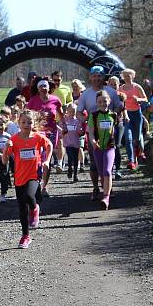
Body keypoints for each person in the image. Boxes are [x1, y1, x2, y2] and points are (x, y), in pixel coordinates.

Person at [2, 110, 52, 249]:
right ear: (19, 123)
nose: (26, 124)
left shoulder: (37, 137)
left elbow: (49, 145)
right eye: (23, 122)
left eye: (29, 122)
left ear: (34, 123)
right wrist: (6, 148)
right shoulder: (14, 139)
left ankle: (35, 207)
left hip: (34, 174)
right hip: (19, 177)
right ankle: (25, 236)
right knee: (22, 208)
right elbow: (4, 160)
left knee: (30, 196)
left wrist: (46, 160)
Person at [77, 66, 123, 200]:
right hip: (92, 132)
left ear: (104, 77)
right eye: (94, 76)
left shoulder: (111, 91)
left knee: (108, 161)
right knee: (95, 163)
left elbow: (118, 106)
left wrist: (118, 114)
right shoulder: (85, 94)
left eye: (99, 76)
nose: (97, 78)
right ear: (90, 77)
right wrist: (84, 119)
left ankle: (108, 189)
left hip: (109, 132)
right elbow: (79, 112)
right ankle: (96, 188)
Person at [27, 80, 62, 195]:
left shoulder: (55, 99)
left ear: (48, 88)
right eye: (41, 86)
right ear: (38, 89)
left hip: (51, 132)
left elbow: (60, 114)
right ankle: (36, 181)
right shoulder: (33, 101)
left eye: (45, 86)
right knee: (38, 157)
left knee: (47, 159)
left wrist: (65, 126)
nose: (43, 88)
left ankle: (44, 186)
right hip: (37, 132)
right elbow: (27, 115)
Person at [88, 91, 117, 210]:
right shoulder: (94, 115)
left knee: (107, 172)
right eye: (100, 101)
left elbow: (113, 130)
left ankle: (106, 197)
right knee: (101, 173)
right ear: (96, 103)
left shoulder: (113, 115)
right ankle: (106, 190)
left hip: (110, 147)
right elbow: (90, 132)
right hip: (98, 148)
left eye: (105, 101)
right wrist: (93, 141)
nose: (102, 103)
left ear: (109, 101)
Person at [119, 69, 148, 170]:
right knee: (128, 138)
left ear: (133, 76)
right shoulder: (120, 89)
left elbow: (145, 99)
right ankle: (131, 161)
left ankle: (140, 153)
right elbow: (119, 103)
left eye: (129, 75)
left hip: (137, 114)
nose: (127, 77)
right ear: (123, 77)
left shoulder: (137, 87)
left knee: (138, 137)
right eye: (125, 76)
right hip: (126, 115)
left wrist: (138, 99)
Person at [60, 103, 84, 182]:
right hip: (68, 143)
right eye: (70, 112)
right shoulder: (65, 121)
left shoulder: (77, 121)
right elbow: (61, 130)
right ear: (67, 111)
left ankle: (75, 174)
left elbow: (80, 132)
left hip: (76, 143)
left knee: (76, 159)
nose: (71, 113)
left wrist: (81, 131)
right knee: (70, 157)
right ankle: (70, 168)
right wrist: (62, 132)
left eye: (73, 111)